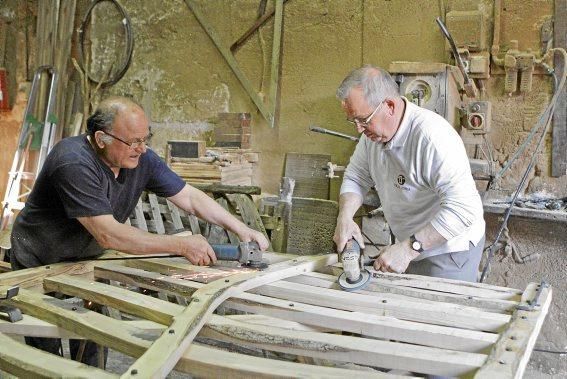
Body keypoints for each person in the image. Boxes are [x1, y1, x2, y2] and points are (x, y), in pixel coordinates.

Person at [9, 96, 269, 365]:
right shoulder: (72, 161)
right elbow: (108, 234)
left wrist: (241, 228)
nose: (142, 148)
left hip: (82, 260)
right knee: (44, 342)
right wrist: (181, 245)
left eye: (146, 138)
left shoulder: (140, 159)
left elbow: (189, 197)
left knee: (92, 334)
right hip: (39, 258)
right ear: (101, 138)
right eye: (133, 141)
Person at [333, 65, 485, 282]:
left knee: (437, 313)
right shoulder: (371, 138)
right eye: (353, 121)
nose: (358, 129)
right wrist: (345, 216)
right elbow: (356, 177)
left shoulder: (432, 137)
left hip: (448, 249)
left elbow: (463, 210)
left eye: (363, 120)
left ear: (390, 106)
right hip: (412, 244)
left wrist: (408, 249)